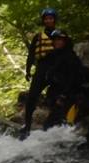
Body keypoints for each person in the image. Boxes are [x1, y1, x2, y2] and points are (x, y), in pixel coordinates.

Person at [21, 8, 59, 139]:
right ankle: (27, 126)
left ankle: (53, 125)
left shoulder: (60, 35)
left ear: (54, 20)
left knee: (56, 98)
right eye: (46, 18)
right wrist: (27, 70)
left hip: (56, 71)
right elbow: (31, 55)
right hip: (41, 70)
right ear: (43, 21)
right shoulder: (38, 37)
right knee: (31, 97)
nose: (48, 20)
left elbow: (67, 54)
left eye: (51, 18)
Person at [42, 29, 85, 130]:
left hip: (68, 96)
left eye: (60, 40)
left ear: (65, 41)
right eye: (55, 40)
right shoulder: (55, 56)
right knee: (51, 126)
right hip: (57, 95)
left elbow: (73, 78)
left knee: (54, 126)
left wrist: (63, 95)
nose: (57, 42)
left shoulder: (70, 57)